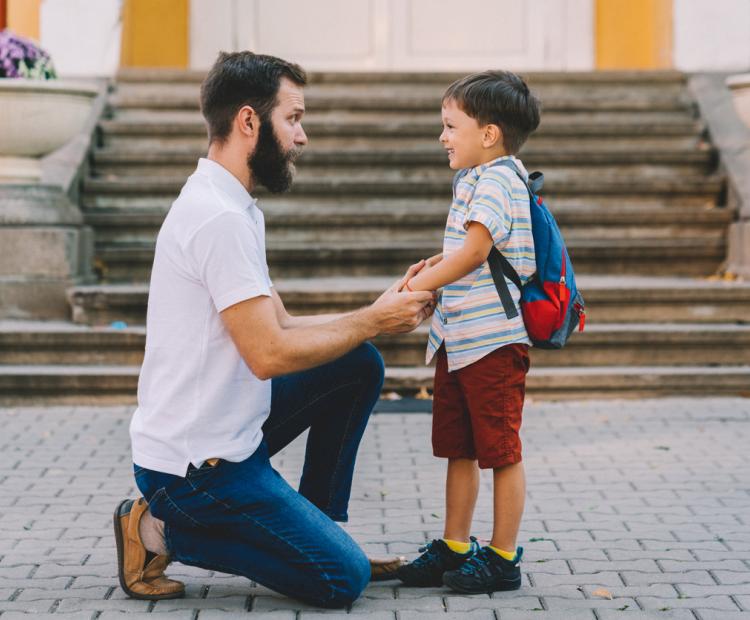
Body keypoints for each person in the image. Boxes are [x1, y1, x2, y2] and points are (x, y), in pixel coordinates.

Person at [113, 51, 435, 609]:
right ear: (248, 122)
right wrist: (374, 321)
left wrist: (376, 313)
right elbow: (268, 354)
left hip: (230, 433)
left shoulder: (234, 206)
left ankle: (321, 526)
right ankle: (156, 531)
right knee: (341, 581)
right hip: (194, 474)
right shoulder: (218, 219)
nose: (302, 136)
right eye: (293, 118)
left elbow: (280, 324)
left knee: (357, 363)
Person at [395, 70, 540, 593]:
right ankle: (456, 544)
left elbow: (477, 252)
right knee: (460, 447)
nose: (443, 136)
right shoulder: (473, 179)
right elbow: (469, 250)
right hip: (459, 340)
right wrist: (432, 266)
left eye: (450, 125)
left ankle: (503, 558)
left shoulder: (501, 177)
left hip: (494, 342)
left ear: (489, 133)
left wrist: (413, 293)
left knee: (501, 450)